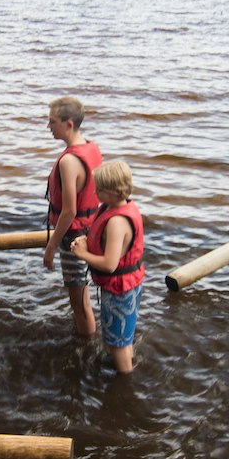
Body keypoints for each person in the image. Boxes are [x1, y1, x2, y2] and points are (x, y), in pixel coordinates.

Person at [70, 160, 144, 373]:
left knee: (117, 344)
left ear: (113, 192)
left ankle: (124, 384)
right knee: (123, 337)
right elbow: (103, 241)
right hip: (126, 286)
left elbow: (110, 264)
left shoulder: (117, 222)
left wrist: (82, 254)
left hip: (120, 290)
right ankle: (126, 365)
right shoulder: (115, 207)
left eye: (99, 189)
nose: (94, 192)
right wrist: (87, 240)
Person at [42, 95, 103, 338]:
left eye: (52, 122)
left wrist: (51, 246)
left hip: (74, 237)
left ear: (68, 124)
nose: (49, 127)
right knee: (84, 297)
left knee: (78, 304)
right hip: (91, 230)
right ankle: (89, 337)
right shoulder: (91, 147)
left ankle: (86, 346)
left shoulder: (68, 161)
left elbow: (69, 211)